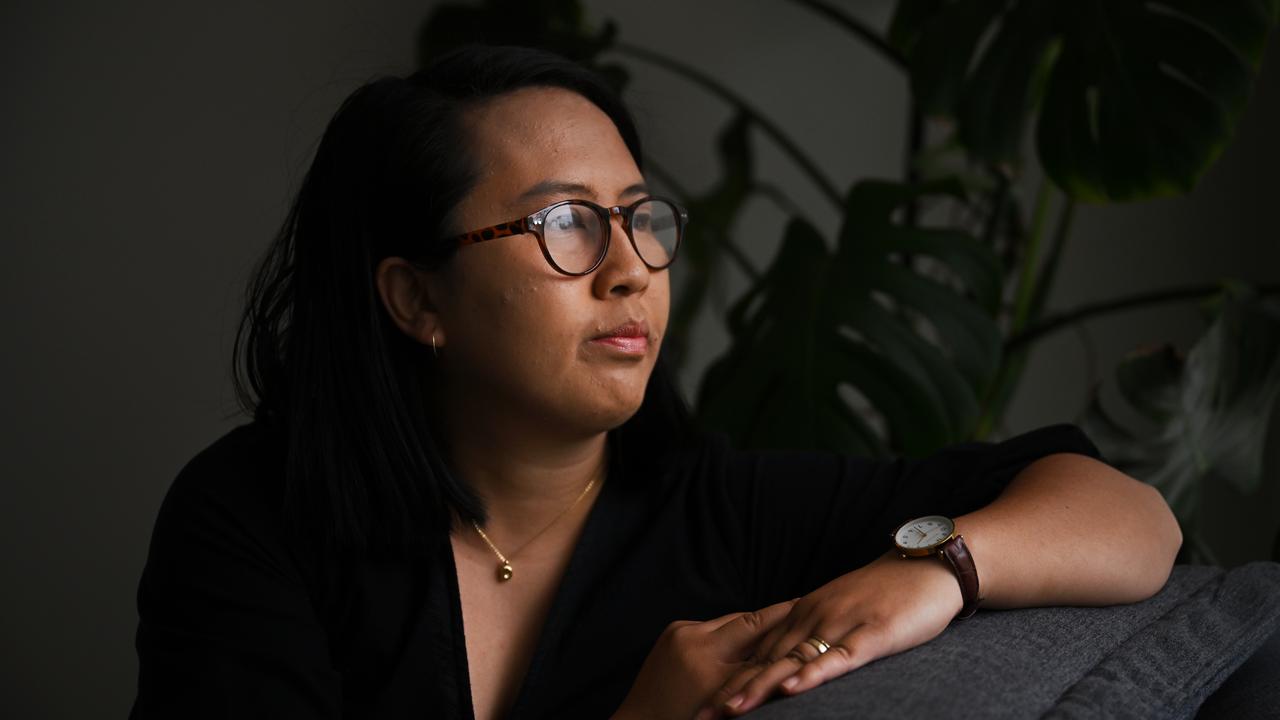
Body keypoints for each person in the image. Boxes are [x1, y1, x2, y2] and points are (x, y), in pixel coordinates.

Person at [129, 44, 1182, 720]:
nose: (630, 266)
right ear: (417, 301)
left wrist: (940, 568)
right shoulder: (254, 519)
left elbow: (1131, 520)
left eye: (638, 216)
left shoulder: (717, 511)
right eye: (562, 226)